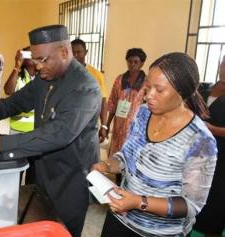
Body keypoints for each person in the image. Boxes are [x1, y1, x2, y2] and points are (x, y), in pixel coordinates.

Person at [0, 25, 102, 237]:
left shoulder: (85, 88)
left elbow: (59, 133)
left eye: (42, 59)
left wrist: (0, 143)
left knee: (62, 231)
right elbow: (18, 100)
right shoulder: (44, 77)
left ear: (63, 52)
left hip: (69, 181)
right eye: (35, 59)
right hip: (41, 172)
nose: (38, 66)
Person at [91, 52, 218, 237]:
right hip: (120, 218)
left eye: (159, 90)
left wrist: (138, 202)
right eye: (148, 87)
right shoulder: (143, 113)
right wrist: (107, 165)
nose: (148, 95)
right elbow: (127, 155)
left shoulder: (200, 141)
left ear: (182, 92)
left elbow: (191, 205)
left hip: (159, 232)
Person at [104, 48, 147, 184]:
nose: (132, 64)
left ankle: (130, 185)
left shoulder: (146, 83)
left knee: (132, 158)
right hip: (119, 128)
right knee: (117, 156)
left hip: (135, 129)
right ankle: (117, 183)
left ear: (142, 63)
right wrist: (106, 125)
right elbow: (112, 104)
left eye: (136, 62)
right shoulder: (120, 80)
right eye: (129, 62)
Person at [193, 55, 225, 237]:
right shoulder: (203, 89)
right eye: (224, 64)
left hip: (221, 162)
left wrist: (211, 129)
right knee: (191, 202)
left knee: (215, 209)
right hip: (195, 156)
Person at [4, 46, 37, 185]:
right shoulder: (19, 76)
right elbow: (8, 90)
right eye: (27, 53)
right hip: (18, 131)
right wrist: (16, 67)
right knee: (16, 170)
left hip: (37, 132)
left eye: (33, 52)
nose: (30, 55)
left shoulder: (44, 75)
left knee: (34, 172)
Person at [71, 39, 107, 142]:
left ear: (86, 52)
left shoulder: (96, 74)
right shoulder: (65, 74)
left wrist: (104, 126)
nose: (76, 56)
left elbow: (103, 101)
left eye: (79, 52)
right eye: (73, 53)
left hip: (88, 124)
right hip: (69, 122)